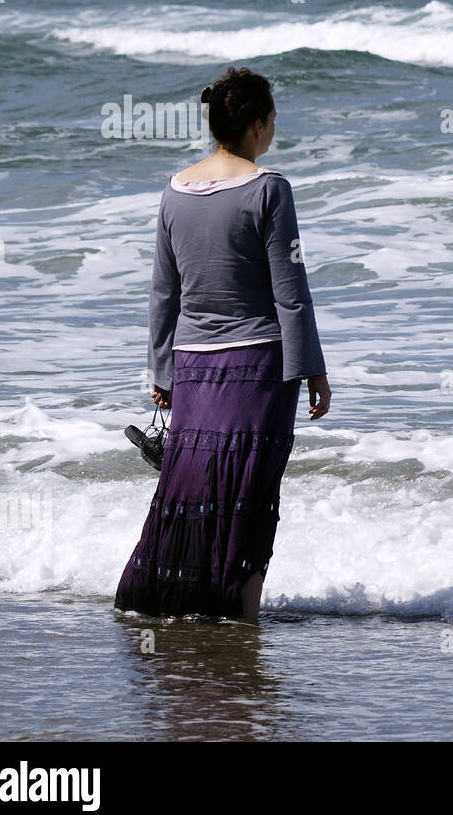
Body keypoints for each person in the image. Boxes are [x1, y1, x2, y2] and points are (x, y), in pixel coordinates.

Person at [115, 66, 331, 624]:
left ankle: (180, 605)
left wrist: (161, 373)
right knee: (251, 496)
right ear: (258, 125)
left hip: (191, 367)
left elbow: (163, 293)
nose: (274, 133)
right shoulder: (269, 189)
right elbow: (292, 292)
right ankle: (242, 616)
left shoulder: (175, 190)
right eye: (273, 122)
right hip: (258, 366)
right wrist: (313, 369)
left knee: (192, 495)